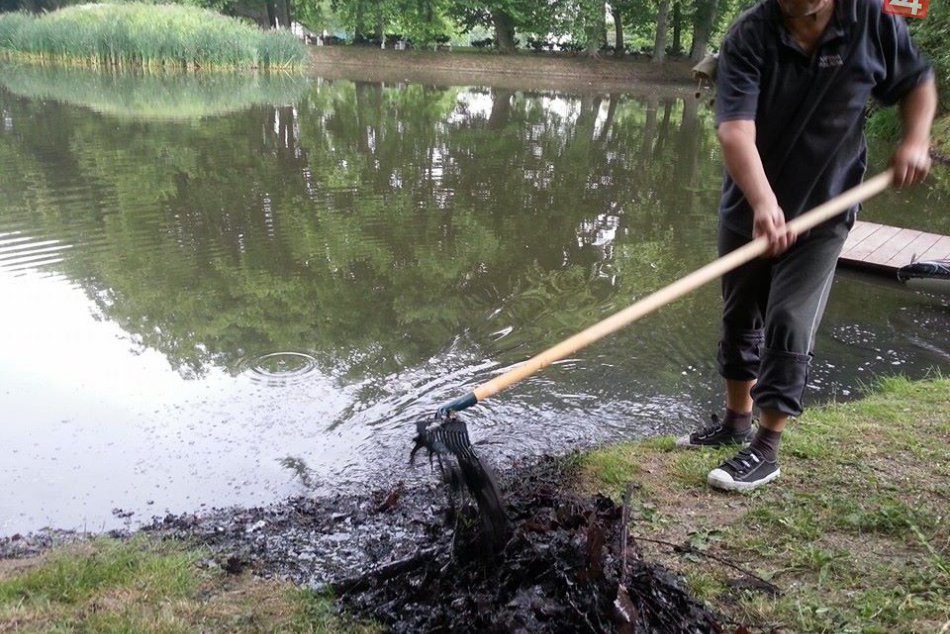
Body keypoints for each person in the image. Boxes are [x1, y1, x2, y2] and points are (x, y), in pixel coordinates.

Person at [676, 0, 937, 492]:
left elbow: (917, 80)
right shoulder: (749, 35)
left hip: (827, 206)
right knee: (738, 316)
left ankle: (767, 446)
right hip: (750, 206)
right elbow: (735, 130)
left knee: (790, 319)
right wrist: (764, 204)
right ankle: (735, 421)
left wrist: (916, 139)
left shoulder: (871, 20)